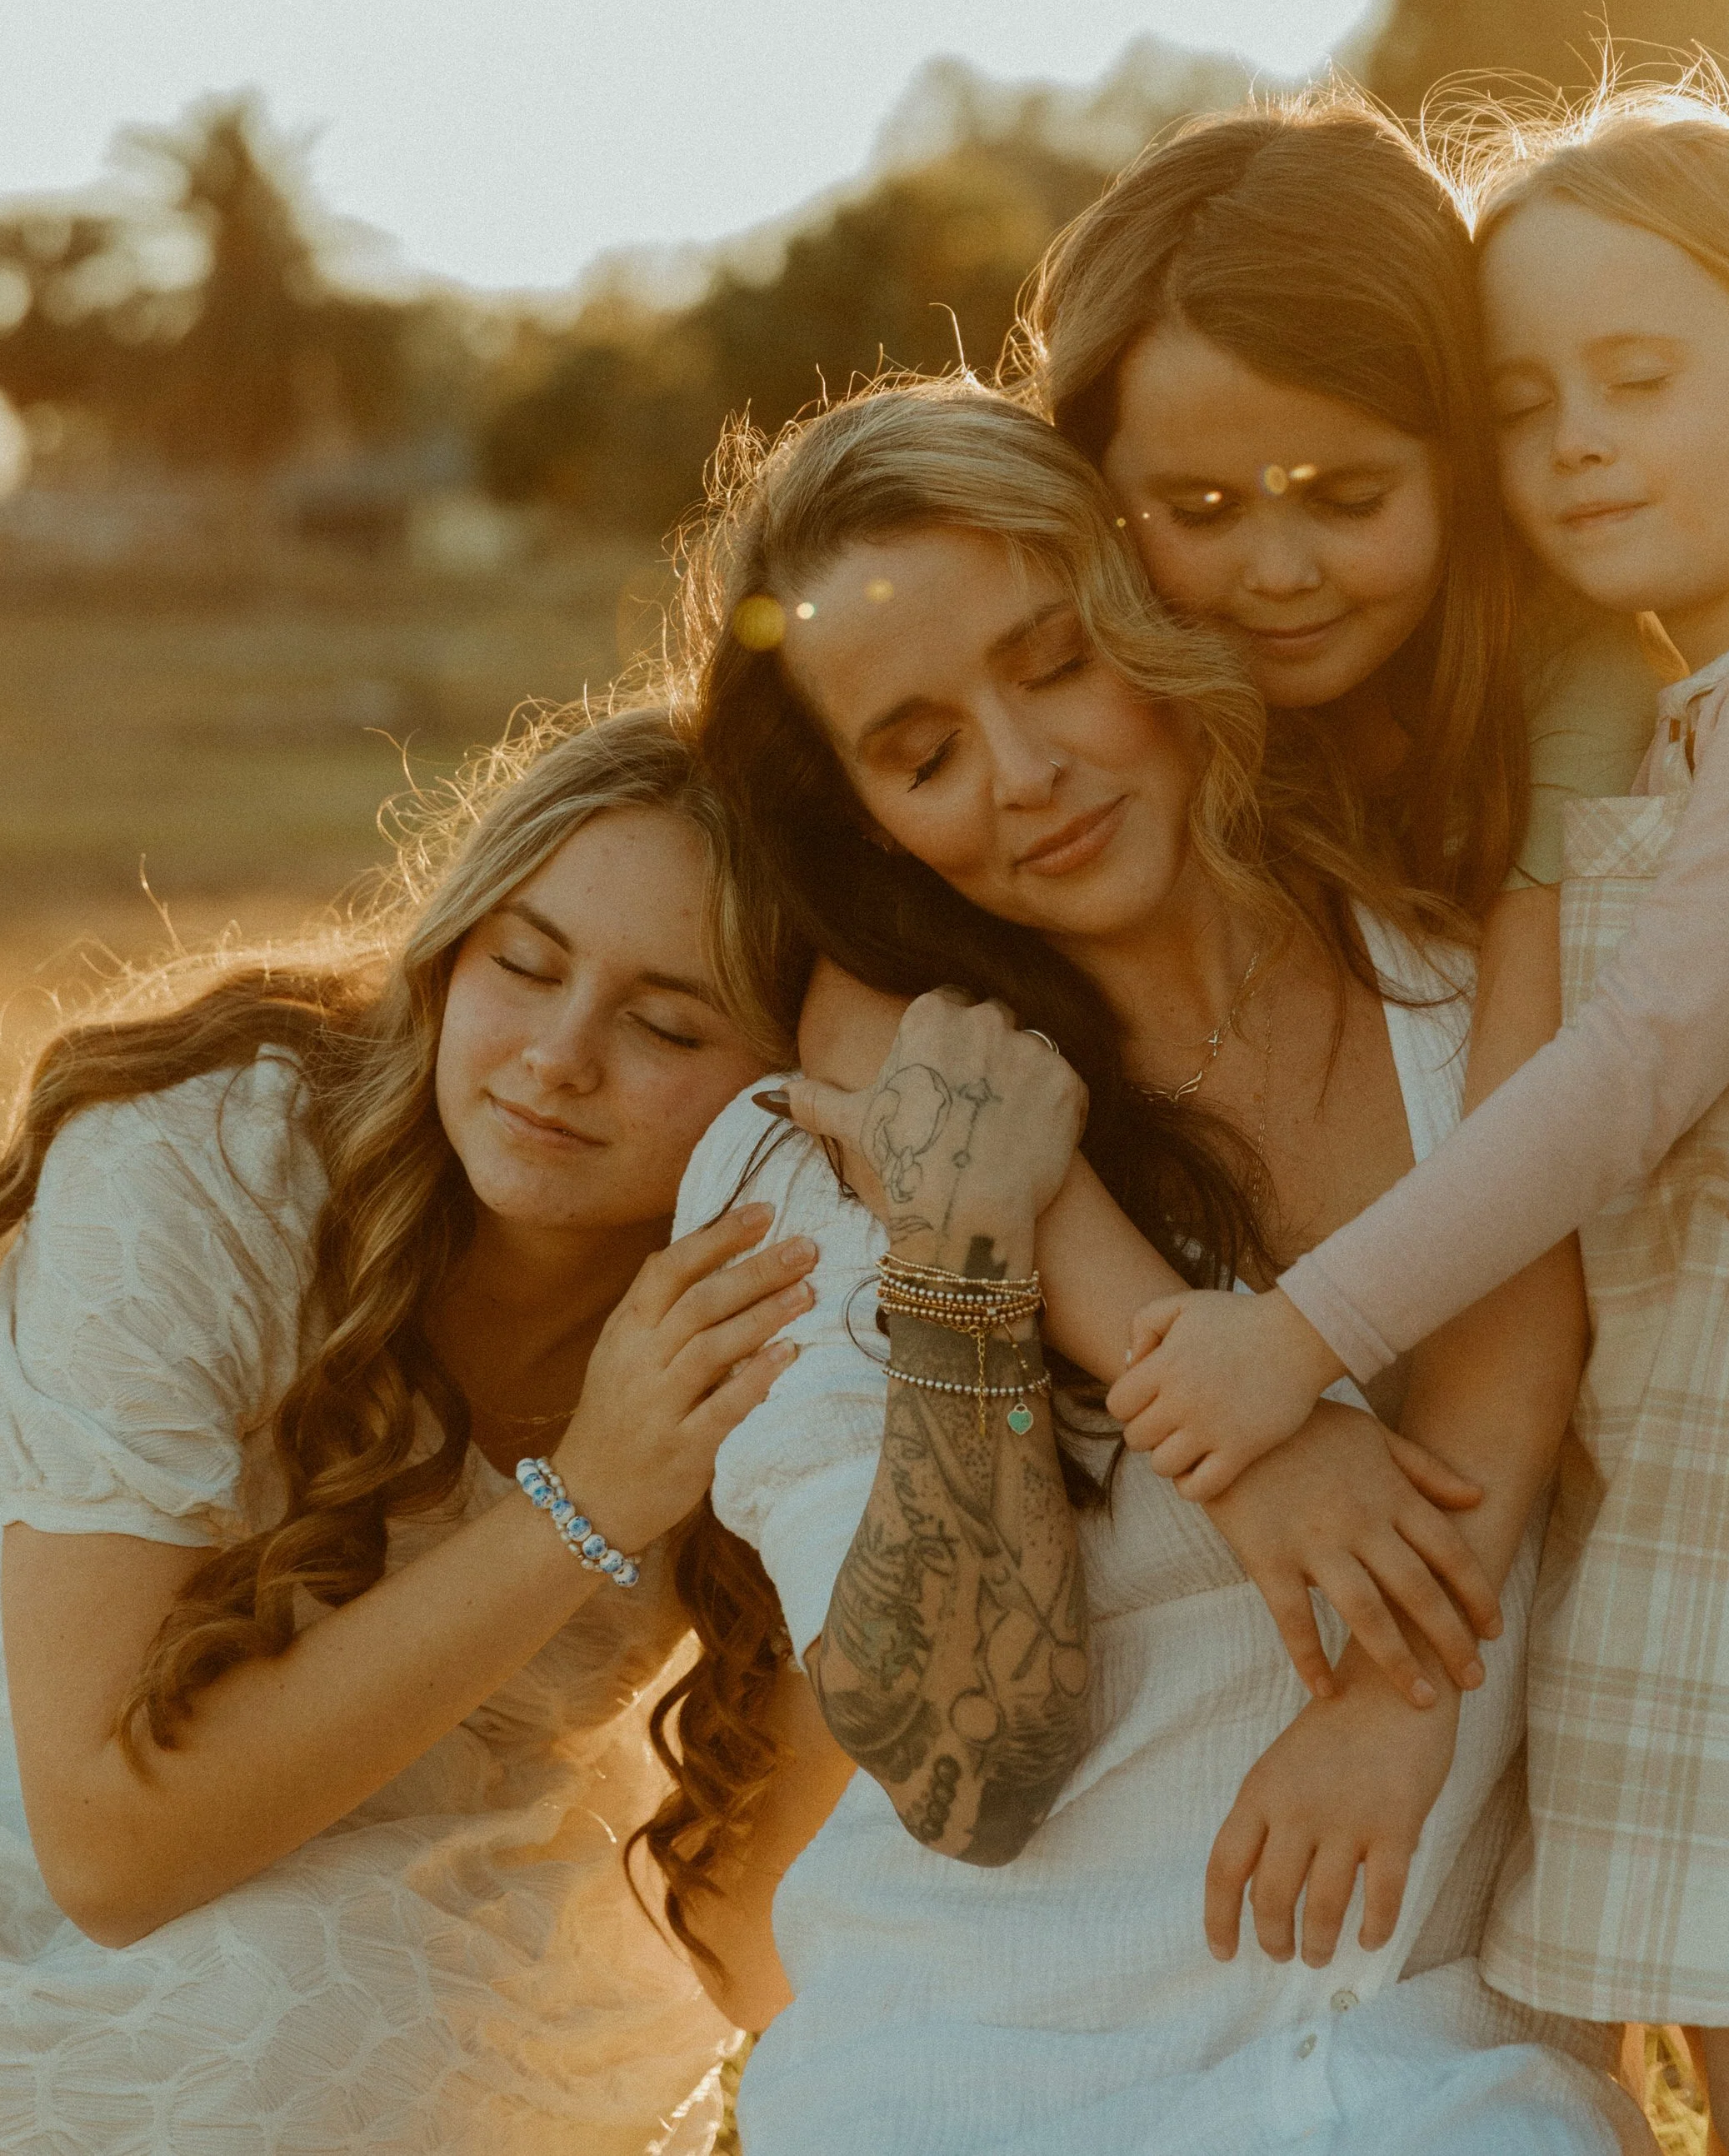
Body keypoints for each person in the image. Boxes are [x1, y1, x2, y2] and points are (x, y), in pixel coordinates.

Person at [1107, 82, 1729, 2156]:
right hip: (1694, 1451)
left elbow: (1615, 1088)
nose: (1575, 448)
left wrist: (1302, 1333)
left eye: (1635, 379)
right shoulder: (1697, 687)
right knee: (1672, 2057)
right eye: (1524, 406)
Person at [657, 381, 1652, 2155]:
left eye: (1052, 663)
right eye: (920, 749)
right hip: (985, 2084)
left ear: (1155, 618)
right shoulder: (819, 1151)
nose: (1021, 772)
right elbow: (962, 1773)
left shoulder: (1473, 1009)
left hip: (1447, 2085)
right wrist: (970, 1257)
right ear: (860, 820)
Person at [1018, 82, 1729, 1421]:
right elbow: (852, 952)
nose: (1278, 571)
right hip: (1223, 1472)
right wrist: (1215, 1380)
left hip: (1619, 1494)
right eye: (1200, 507)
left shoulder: (1631, 683)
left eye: (1352, 495)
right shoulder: (1051, 713)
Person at [0, 703, 813, 2156]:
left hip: (452, 1894)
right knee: (292, 2049)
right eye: (525, 964)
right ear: (445, 954)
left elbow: (757, 1952)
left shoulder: (778, 1310)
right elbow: (109, 1848)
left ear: (785, 1093)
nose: (557, 1056)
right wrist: (591, 1500)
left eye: (666, 1023)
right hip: (33, 1843)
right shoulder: (202, 1168)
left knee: (372, 2043)